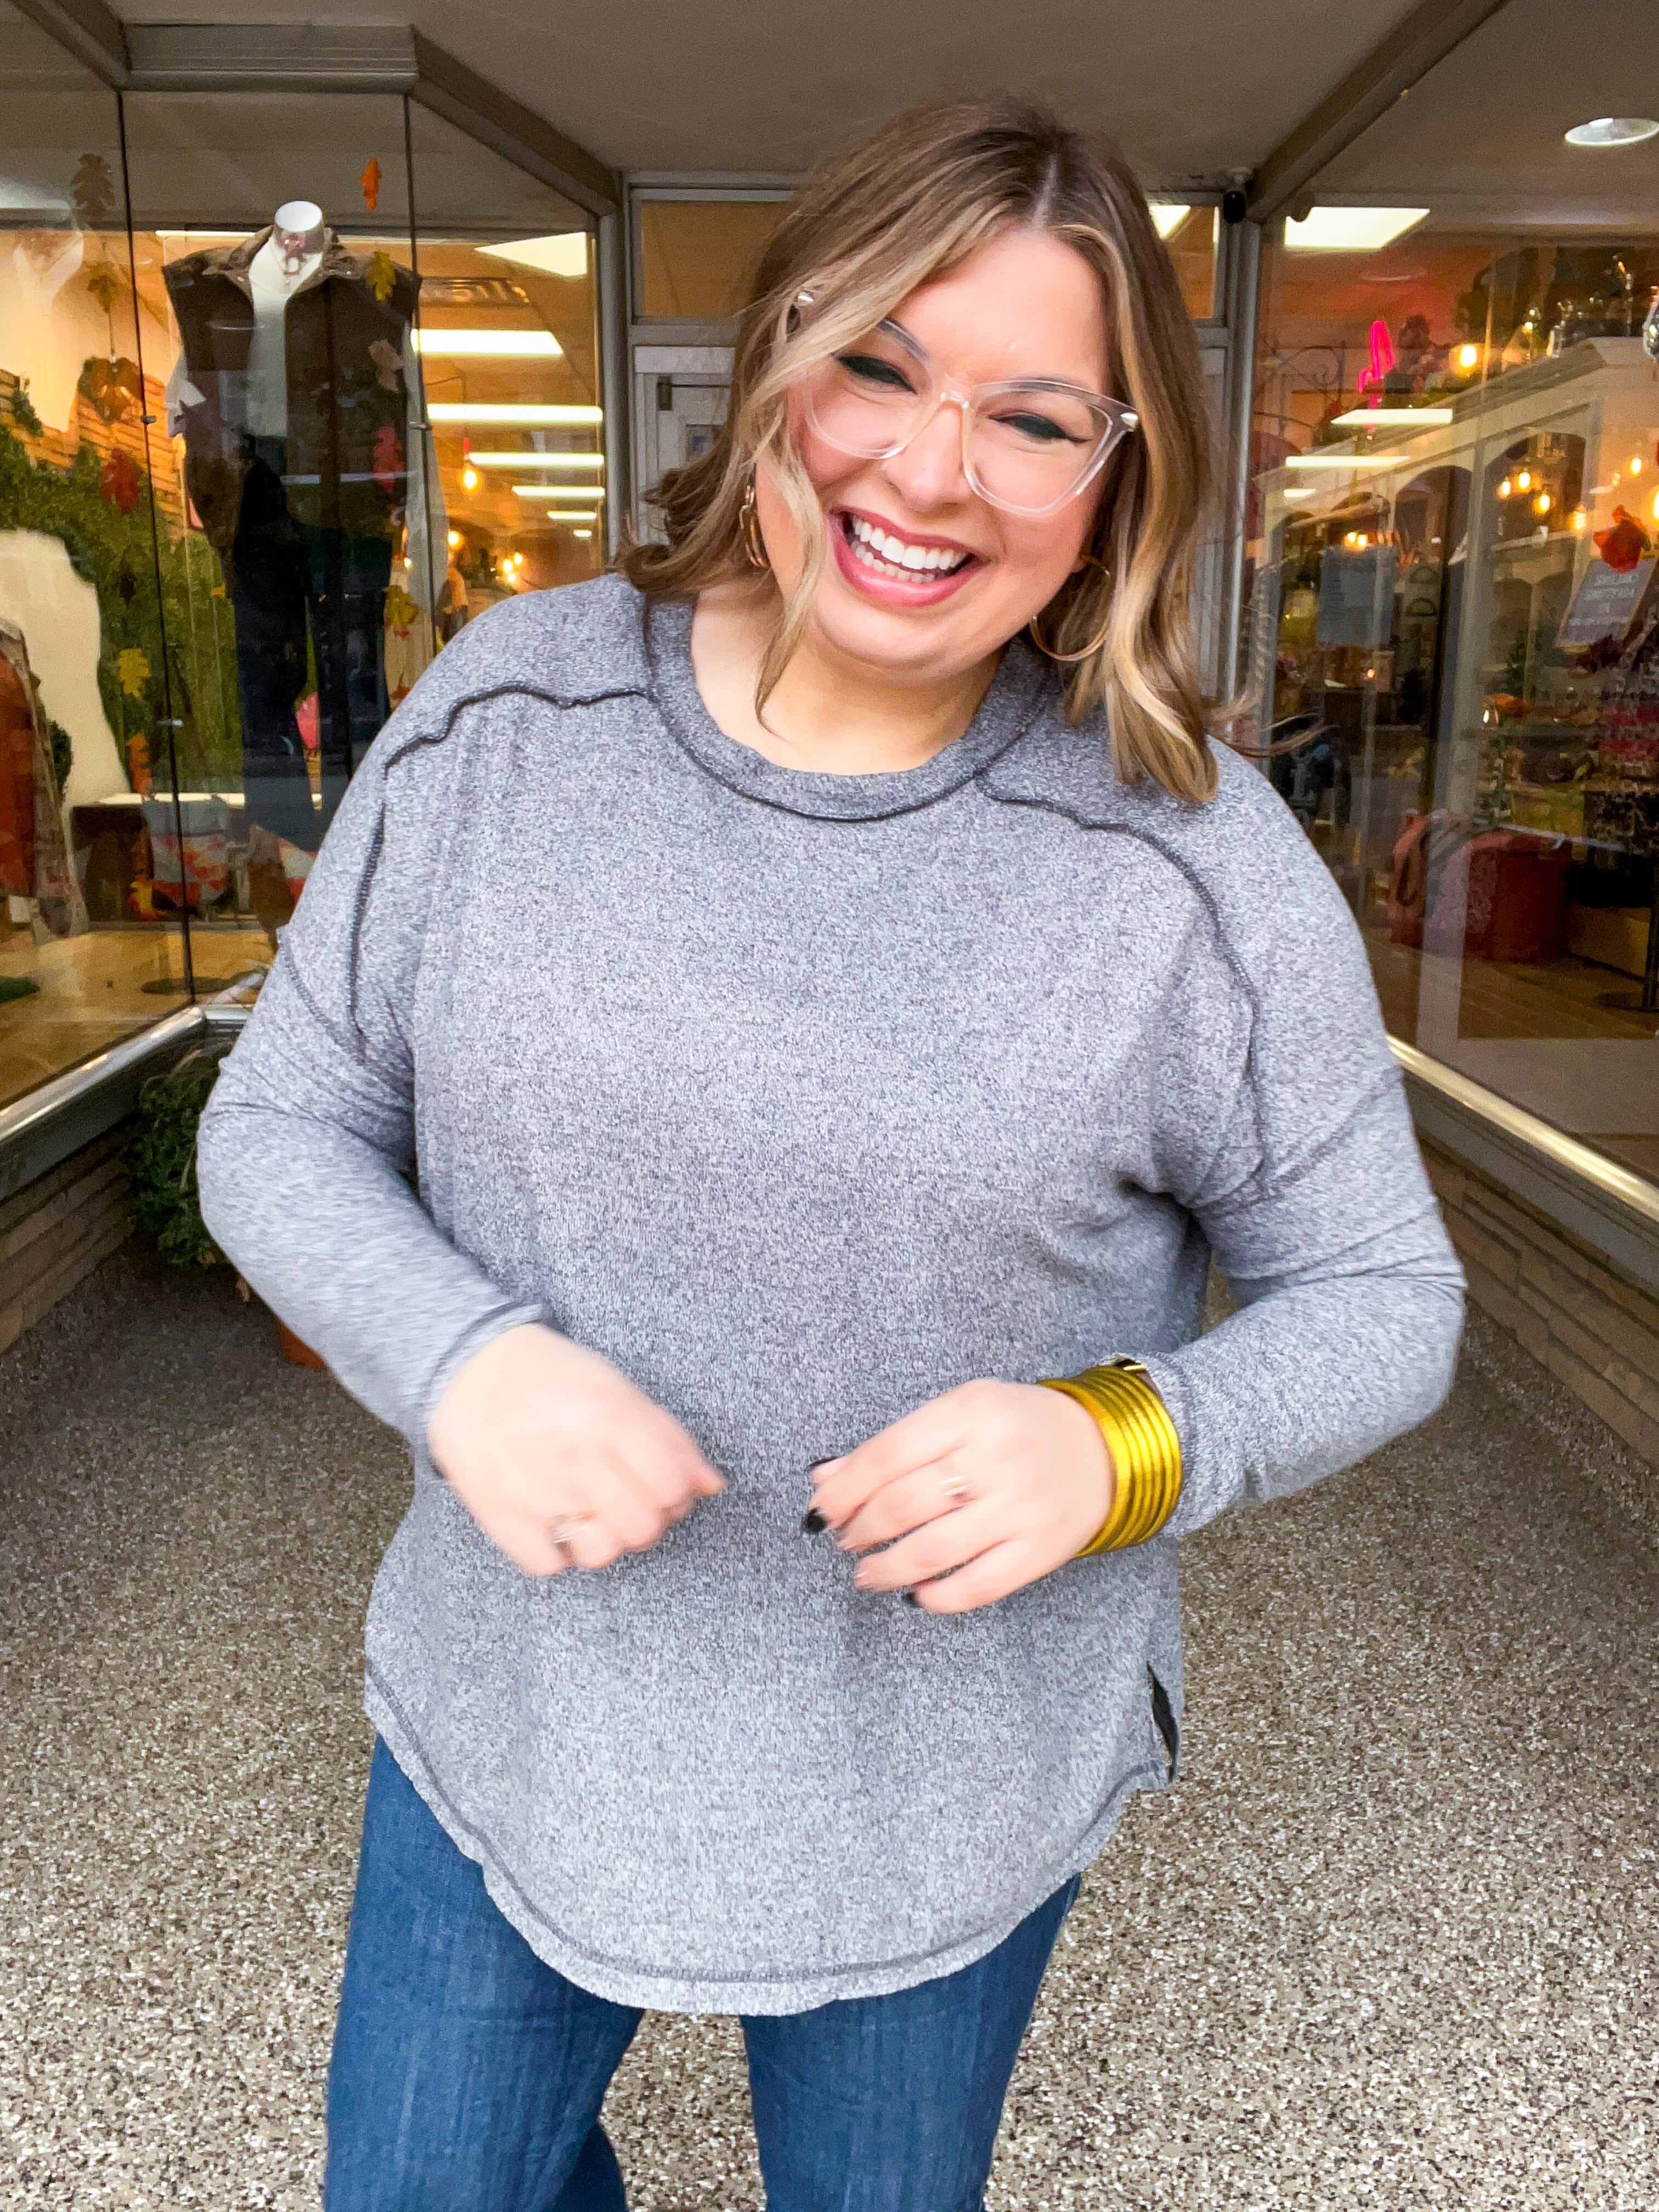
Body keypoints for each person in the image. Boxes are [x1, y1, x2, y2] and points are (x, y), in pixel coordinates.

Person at [197, 97, 1464, 2212]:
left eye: (1035, 417)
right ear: (776, 363)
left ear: (1121, 477)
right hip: (522, 1706)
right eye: (878, 363)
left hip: (941, 1763)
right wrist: (460, 1356)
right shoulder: (518, 715)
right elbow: (285, 1119)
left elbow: (1388, 1299)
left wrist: (1122, 1441)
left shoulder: (1187, 867)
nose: (929, 470)